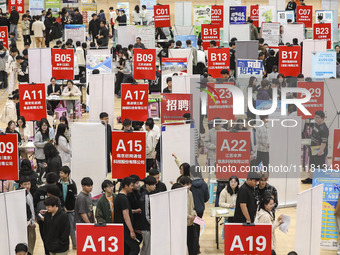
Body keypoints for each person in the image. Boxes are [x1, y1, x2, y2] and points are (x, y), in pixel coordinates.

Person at [33, 172, 59, 255]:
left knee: (45, 238)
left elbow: (34, 205)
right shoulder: (57, 190)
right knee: (55, 238)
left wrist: (36, 216)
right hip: (55, 219)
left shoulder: (38, 191)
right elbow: (61, 204)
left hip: (42, 220)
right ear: (55, 182)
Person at [114, 177, 140, 254]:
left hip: (122, 228)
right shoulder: (123, 198)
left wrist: (135, 211)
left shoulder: (120, 197)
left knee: (126, 250)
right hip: (124, 229)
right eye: (131, 185)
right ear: (126, 186)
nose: (133, 187)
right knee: (135, 248)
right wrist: (131, 231)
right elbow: (126, 216)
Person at [302, 110, 329, 184]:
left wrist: (320, 151)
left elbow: (324, 142)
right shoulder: (316, 124)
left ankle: (319, 180)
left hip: (320, 151)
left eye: (317, 117)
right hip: (313, 149)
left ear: (322, 118)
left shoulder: (324, 129)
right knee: (312, 165)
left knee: (319, 166)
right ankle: (310, 178)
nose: (315, 119)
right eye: (315, 117)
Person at [57, 166, 77, 250]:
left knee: (72, 228)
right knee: (61, 229)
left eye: (62, 173)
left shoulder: (72, 184)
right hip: (60, 210)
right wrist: (61, 207)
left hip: (70, 210)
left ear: (67, 174)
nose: (60, 175)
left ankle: (75, 244)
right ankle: (65, 245)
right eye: (60, 173)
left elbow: (74, 198)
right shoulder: (58, 183)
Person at [190, 165, 209, 253]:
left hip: (191, 211)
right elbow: (207, 198)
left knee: (192, 229)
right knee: (197, 228)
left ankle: (194, 249)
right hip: (200, 210)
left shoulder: (189, 185)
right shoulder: (204, 184)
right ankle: (197, 248)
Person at [178, 176, 198, 255]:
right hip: (181, 224)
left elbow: (192, 207)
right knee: (181, 245)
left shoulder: (190, 193)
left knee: (192, 244)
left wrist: (194, 214)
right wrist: (188, 216)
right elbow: (179, 210)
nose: (189, 186)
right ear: (182, 185)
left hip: (190, 223)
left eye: (190, 184)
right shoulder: (178, 195)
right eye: (187, 184)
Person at [138, 176, 157, 255]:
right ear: (147, 185)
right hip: (146, 226)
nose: (155, 186)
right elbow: (146, 214)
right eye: (153, 184)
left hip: (146, 225)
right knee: (146, 248)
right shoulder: (145, 196)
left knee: (147, 247)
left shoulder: (148, 194)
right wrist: (152, 223)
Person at [19, 176, 36, 255]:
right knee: (28, 245)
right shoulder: (20, 195)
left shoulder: (29, 193)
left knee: (32, 242)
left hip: (31, 223)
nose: (27, 186)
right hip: (26, 225)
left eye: (29, 184)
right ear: (21, 185)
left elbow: (31, 208)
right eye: (25, 184)